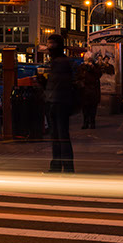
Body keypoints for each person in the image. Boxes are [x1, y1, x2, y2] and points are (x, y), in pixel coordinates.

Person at [43, 34, 74, 173]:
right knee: (58, 136)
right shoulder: (59, 62)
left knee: (59, 136)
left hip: (58, 103)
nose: (49, 48)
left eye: (51, 45)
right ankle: (62, 166)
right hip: (57, 102)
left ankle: (63, 167)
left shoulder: (59, 62)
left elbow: (57, 84)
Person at [75, 51, 103, 129]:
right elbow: (78, 77)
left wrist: (93, 68)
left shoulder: (95, 66)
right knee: (85, 108)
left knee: (92, 108)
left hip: (92, 90)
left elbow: (99, 74)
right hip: (85, 90)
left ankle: (92, 122)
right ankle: (86, 122)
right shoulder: (82, 67)